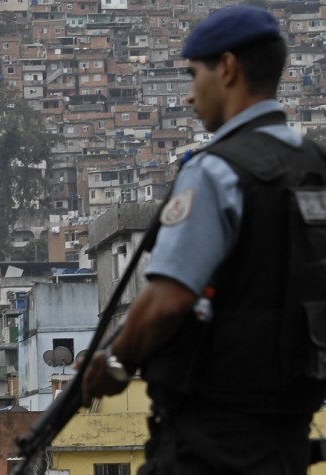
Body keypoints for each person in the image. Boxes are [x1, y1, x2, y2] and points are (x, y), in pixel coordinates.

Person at [81, 5, 326, 475]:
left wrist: (114, 361)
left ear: (228, 68)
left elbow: (169, 300)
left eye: (194, 75)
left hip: (211, 438)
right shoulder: (314, 166)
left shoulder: (216, 172)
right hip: (288, 437)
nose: (190, 97)